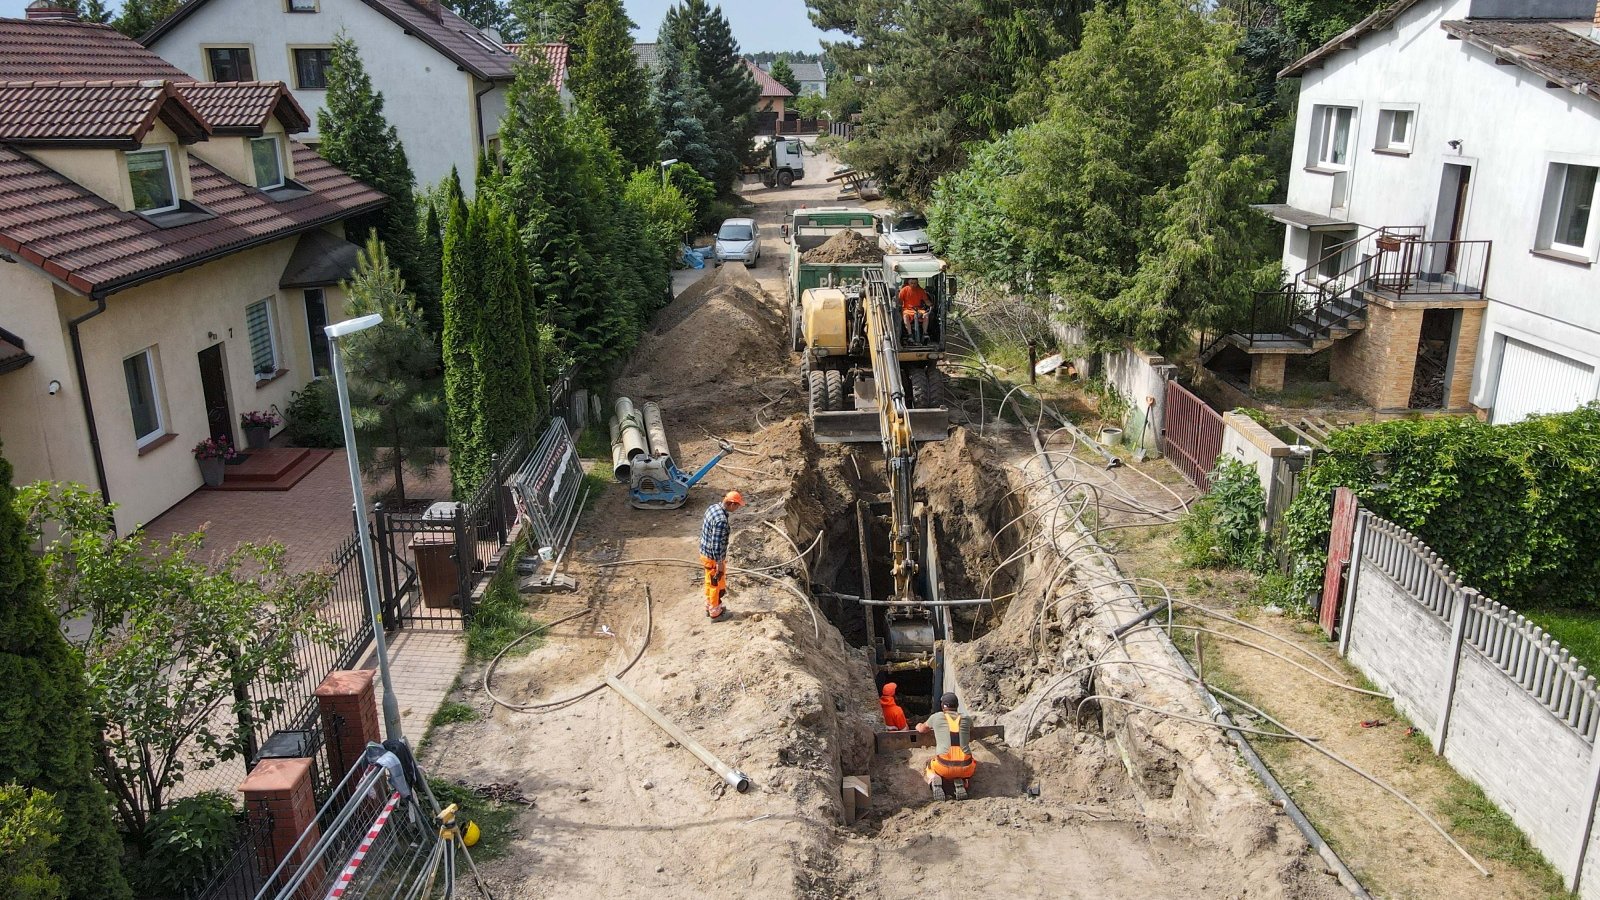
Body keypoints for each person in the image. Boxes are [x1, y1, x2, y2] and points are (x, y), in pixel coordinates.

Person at [916, 691, 976, 799]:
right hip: (966, 768)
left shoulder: (937, 717)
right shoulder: (967, 719)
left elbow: (922, 729)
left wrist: (917, 724)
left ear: (942, 706)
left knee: (929, 765)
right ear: (957, 706)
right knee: (972, 761)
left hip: (943, 767)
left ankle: (934, 778)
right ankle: (962, 781)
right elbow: (971, 728)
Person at [699, 490, 743, 620]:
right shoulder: (721, 521)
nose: (738, 508)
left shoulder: (713, 508)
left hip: (705, 553)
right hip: (713, 557)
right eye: (737, 505)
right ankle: (715, 613)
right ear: (732, 504)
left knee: (709, 581)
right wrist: (719, 564)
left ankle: (710, 605)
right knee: (715, 584)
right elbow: (716, 544)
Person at [897, 277, 931, 344]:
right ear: (908, 282)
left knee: (926, 315)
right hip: (907, 309)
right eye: (911, 283)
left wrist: (931, 304)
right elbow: (900, 301)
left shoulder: (920, 290)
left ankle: (925, 333)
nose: (913, 285)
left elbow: (926, 300)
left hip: (918, 309)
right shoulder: (904, 290)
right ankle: (910, 335)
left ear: (917, 283)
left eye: (915, 283)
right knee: (905, 316)